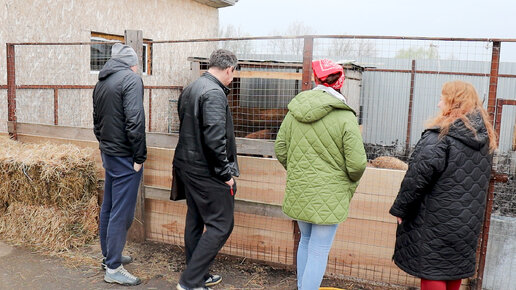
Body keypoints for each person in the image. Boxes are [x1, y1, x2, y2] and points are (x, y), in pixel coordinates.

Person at [389, 80, 497, 290]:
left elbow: (416, 179)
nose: (439, 104)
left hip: (436, 219)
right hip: (468, 221)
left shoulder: (440, 137)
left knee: (433, 269)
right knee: (452, 268)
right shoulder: (486, 139)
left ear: (454, 102)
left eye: (443, 99)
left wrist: (401, 209)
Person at [275, 59, 367, 290]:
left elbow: (280, 149)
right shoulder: (345, 117)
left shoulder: (294, 111)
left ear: (316, 80)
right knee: (319, 249)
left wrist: (299, 172)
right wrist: (347, 180)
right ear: (340, 83)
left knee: (305, 241)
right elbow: (357, 164)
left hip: (301, 189)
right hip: (331, 193)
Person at [172, 49, 239, 290]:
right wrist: (225, 175)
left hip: (187, 165)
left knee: (196, 218)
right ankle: (190, 282)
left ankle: (197, 273)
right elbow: (214, 139)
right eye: (233, 73)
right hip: (206, 169)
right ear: (229, 69)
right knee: (221, 224)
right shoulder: (214, 93)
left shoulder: (192, 87)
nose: (232, 78)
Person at [93, 43, 146, 286]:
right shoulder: (131, 80)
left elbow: (96, 121)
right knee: (121, 211)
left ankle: (109, 256)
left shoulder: (102, 81)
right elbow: (135, 120)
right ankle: (113, 267)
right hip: (125, 156)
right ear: (133, 63)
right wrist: (139, 156)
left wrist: (105, 146)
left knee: (109, 205)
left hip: (110, 153)